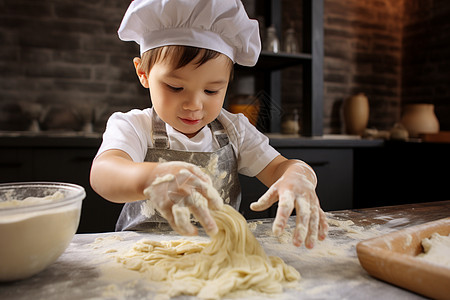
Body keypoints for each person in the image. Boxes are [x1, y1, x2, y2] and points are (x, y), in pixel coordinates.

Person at [90, 0, 328, 249]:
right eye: (175, 87)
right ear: (144, 74)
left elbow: (281, 167)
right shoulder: (135, 126)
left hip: (218, 253)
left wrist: (299, 176)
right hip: (143, 254)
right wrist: (150, 177)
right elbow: (103, 173)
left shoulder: (234, 129)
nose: (194, 104)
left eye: (212, 90)